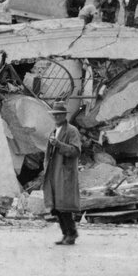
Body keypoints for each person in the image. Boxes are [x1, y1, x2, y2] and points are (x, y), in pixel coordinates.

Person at [42, 101, 83, 246]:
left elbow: (76, 151)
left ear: (64, 115)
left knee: (64, 205)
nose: (57, 117)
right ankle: (66, 233)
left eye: (59, 114)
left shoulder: (72, 131)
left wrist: (59, 145)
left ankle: (71, 233)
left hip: (64, 172)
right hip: (54, 172)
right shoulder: (54, 131)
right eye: (55, 114)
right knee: (56, 206)